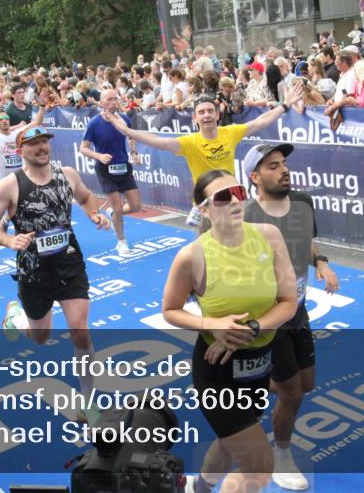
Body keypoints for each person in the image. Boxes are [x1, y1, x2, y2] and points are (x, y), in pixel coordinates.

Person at [162, 170, 297, 493]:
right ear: (205, 209)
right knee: (259, 464)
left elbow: (289, 301)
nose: (236, 199)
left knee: (229, 442)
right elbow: (170, 310)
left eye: (238, 190)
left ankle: (199, 487)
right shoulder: (192, 255)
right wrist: (213, 324)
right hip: (217, 371)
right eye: (223, 196)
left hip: (258, 367)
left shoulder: (268, 236)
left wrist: (253, 327)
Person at [0, 126, 111, 423]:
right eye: (34, 144)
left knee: (80, 330)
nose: (41, 148)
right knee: (40, 337)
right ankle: (16, 316)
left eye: (44, 142)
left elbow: (87, 196)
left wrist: (93, 214)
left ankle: (88, 402)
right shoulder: (10, 185)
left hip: (68, 261)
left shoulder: (67, 173)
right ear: (19, 150)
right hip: (33, 269)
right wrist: (8, 240)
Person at [242, 143, 338, 491]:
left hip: (298, 311)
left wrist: (322, 262)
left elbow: (306, 243)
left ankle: (265, 377)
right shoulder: (245, 217)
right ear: (254, 177)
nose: (283, 170)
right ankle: (281, 455)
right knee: (293, 393)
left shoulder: (303, 202)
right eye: (272, 166)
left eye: (283, 163)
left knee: (306, 384)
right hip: (268, 320)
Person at [103, 84, 304, 226]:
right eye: (201, 112)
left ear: (217, 115)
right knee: (208, 251)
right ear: (195, 118)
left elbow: (261, 121)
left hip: (233, 200)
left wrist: (284, 105)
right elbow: (159, 141)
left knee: (237, 243)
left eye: (210, 111)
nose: (206, 115)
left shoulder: (230, 133)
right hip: (206, 205)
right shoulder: (189, 142)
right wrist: (128, 132)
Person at [80, 88, 143, 254]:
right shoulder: (94, 123)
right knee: (118, 206)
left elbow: (131, 136)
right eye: (109, 99)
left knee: (136, 206)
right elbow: (83, 148)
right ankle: (121, 241)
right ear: (101, 103)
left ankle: (113, 213)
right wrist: (98, 156)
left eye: (115, 99)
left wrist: (134, 153)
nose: (113, 102)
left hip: (124, 166)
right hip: (105, 170)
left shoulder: (123, 119)